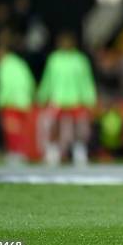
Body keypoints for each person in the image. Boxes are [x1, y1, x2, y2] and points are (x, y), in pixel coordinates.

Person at [38, 32, 96, 166]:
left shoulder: (80, 60)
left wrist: (89, 97)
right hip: (58, 98)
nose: (65, 44)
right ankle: (53, 151)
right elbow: (48, 79)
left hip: (76, 98)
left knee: (79, 127)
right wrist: (43, 95)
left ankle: (79, 151)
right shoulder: (54, 59)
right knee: (54, 125)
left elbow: (86, 80)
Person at [0, 44, 36, 165]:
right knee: (21, 129)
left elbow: (6, 85)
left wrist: (0, 101)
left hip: (11, 102)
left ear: (2, 53)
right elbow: (30, 81)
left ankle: (14, 153)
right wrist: (29, 97)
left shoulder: (4, 65)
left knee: (11, 129)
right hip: (24, 102)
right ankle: (22, 152)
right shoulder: (21, 64)